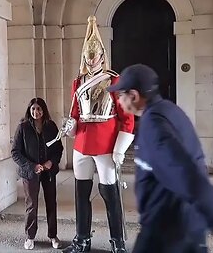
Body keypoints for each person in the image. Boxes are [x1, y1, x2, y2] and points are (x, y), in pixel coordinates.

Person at [106, 64, 213, 253]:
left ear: (133, 95)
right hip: (181, 223)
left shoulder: (153, 125)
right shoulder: (170, 110)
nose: (118, 101)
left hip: (168, 228)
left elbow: (185, 171)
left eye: (120, 96)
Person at [61, 16, 135, 253]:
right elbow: (75, 113)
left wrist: (120, 148)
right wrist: (69, 125)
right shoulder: (78, 82)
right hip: (81, 144)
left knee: (110, 194)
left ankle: (117, 243)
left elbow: (127, 118)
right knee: (81, 194)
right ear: (84, 58)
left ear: (103, 57)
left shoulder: (115, 80)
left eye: (96, 57)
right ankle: (82, 240)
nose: (92, 61)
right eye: (88, 57)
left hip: (105, 146)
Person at [11, 97, 64, 250]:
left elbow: (58, 149)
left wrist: (51, 162)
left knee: (51, 203)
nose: (36, 112)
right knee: (31, 205)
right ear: (29, 110)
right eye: (33, 109)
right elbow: (15, 152)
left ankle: (53, 236)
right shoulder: (23, 127)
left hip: (48, 173)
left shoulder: (51, 126)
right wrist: (31, 166)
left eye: (39, 109)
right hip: (30, 173)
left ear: (44, 110)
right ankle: (30, 236)